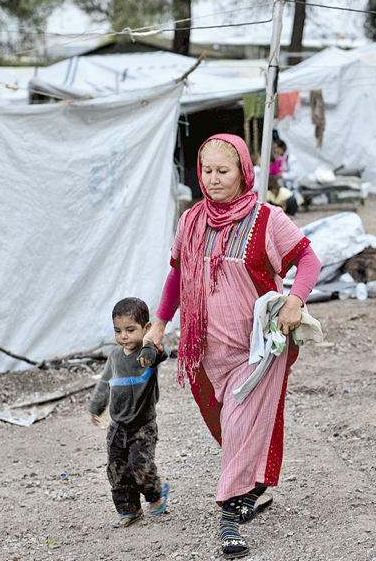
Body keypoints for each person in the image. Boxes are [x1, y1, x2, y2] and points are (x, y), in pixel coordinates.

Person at [144, 133, 319, 559]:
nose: (214, 179)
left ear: (244, 172)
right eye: (207, 171)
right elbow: (176, 277)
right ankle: (252, 488)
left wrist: (295, 299)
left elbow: (309, 259)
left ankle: (228, 517)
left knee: (241, 425)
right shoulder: (190, 221)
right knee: (231, 429)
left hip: (258, 351)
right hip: (206, 352)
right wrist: (159, 324)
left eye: (224, 171)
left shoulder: (267, 218)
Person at [88, 297, 170, 528]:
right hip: (117, 427)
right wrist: (96, 406)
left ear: (145, 328)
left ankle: (156, 493)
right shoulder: (114, 357)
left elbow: (165, 352)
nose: (123, 336)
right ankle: (130, 509)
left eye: (130, 330)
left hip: (143, 425)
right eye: (118, 330)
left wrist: (152, 347)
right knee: (117, 471)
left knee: (140, 467)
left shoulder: (148, 355)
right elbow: (104, 383)